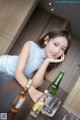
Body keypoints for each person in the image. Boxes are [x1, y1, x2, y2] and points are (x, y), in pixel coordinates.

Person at [0, 27, 71, 102]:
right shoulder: (30, 45)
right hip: (3, 67)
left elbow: (34, 84)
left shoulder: (52, 64)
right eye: (55, 44)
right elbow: (19, 73)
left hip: (13, 81)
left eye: (62, 49)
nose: (57, 51)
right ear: (46, 40)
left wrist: (46, 62)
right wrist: (32, 91)